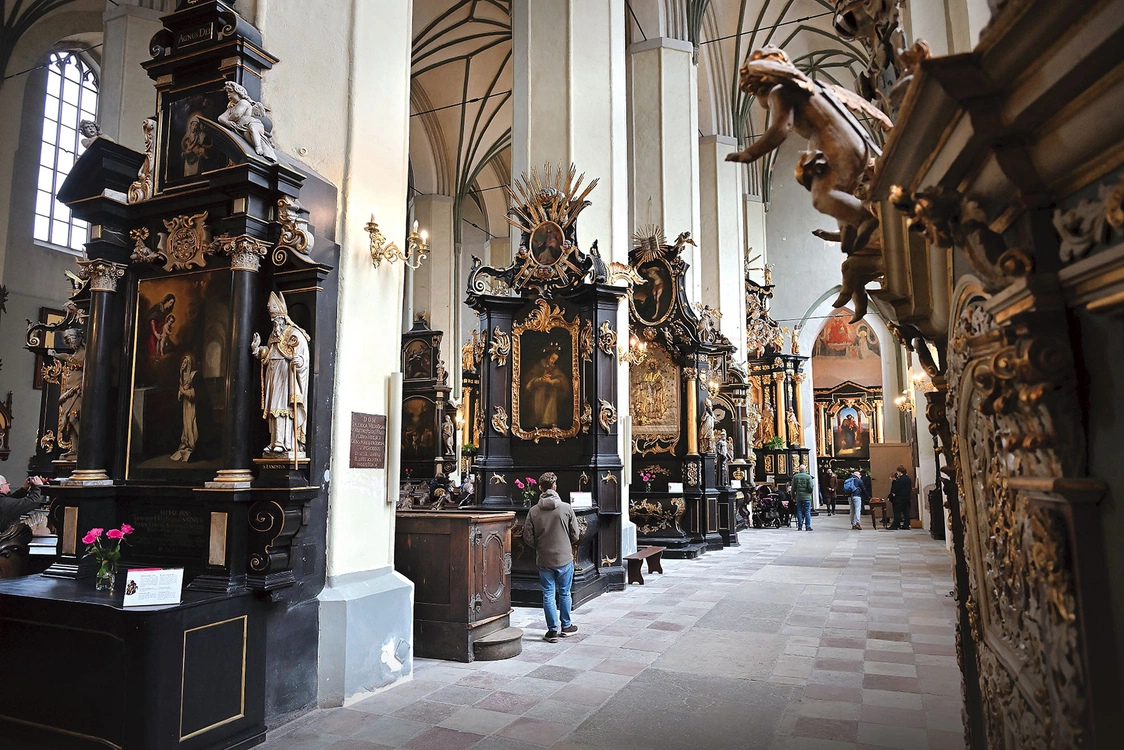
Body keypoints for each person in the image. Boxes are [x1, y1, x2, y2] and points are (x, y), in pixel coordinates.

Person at [522, 472, 581, 643]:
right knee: (564, 593)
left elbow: (527, 536)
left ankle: (552, 631)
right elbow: (576, 534)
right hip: (564, 558)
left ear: (540, 488)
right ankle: (566, 626)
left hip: (544, 558)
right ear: (555, 487)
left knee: (548, 594)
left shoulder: (533, 511)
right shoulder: (566, 508)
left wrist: (540, 546)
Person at [251, 292, 311, 456]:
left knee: (283, 408)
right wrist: (257, 350)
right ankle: (274, 442)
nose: (274, 323)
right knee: (273, 409)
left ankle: (284, 442)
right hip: (273, 374)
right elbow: (269, 352)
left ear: (283, 319)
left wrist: (299, 362)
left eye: (276, 320)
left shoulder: (294, 334)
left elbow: (303, 357)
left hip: (286, 375)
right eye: (273, 321)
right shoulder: (273, 335)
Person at [790, 465, 814, 531]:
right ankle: (807, 526)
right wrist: (809, 492)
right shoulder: (808, 477)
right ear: (805, 469)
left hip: (799, 497)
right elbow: (810, 487)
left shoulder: (795, 477)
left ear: (799, 469)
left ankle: (800, 526)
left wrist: (793, 496)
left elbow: (793, 488)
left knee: (799, 511)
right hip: (807, 497)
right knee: (807, 511)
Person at [888, 465, 912, 530]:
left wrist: (892, 495)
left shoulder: (901, 480)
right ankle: (906, 525)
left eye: (898, 472)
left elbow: (896, 488)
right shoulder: (908, 479)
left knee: (897, 512)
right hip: (907, 498)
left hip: (900, 498)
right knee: (906, 512)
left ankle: (895, 525)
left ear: (900, 472)